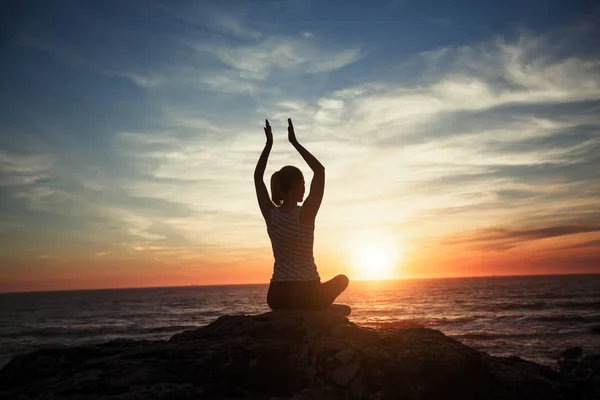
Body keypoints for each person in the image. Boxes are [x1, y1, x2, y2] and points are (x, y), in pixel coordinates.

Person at [254, 118, 349, 312]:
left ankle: (317, 309)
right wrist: (295, 142)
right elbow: (320, 171)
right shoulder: (305, 214)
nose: (305, 189)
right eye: (304, 184)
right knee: (342, 280)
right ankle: (321, 309)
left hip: (277, 297)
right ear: (298, 186)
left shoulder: (271, 215)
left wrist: (268, 145)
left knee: (335, 303)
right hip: (307, 293)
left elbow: (257, 177)